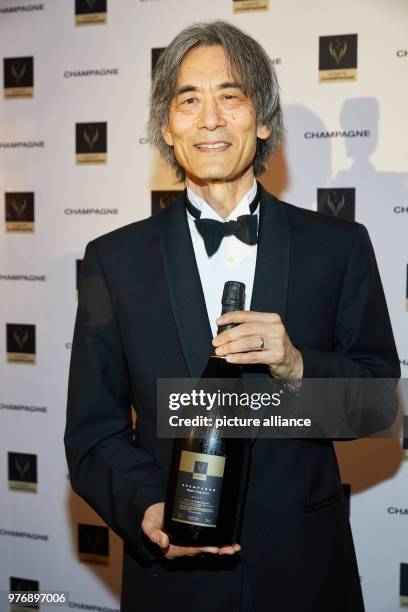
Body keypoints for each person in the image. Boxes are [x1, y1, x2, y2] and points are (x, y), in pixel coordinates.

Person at [64, 20, 400, 612]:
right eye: (188, 101)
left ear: (263, 119)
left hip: (304, 574)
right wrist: (148, 508)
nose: (210, 119)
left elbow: (377, 405)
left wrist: (297, 367)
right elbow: (94, 434)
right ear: (167, 129)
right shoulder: (112, 261)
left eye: (231, 96)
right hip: (174, 584)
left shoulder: (338, 247)